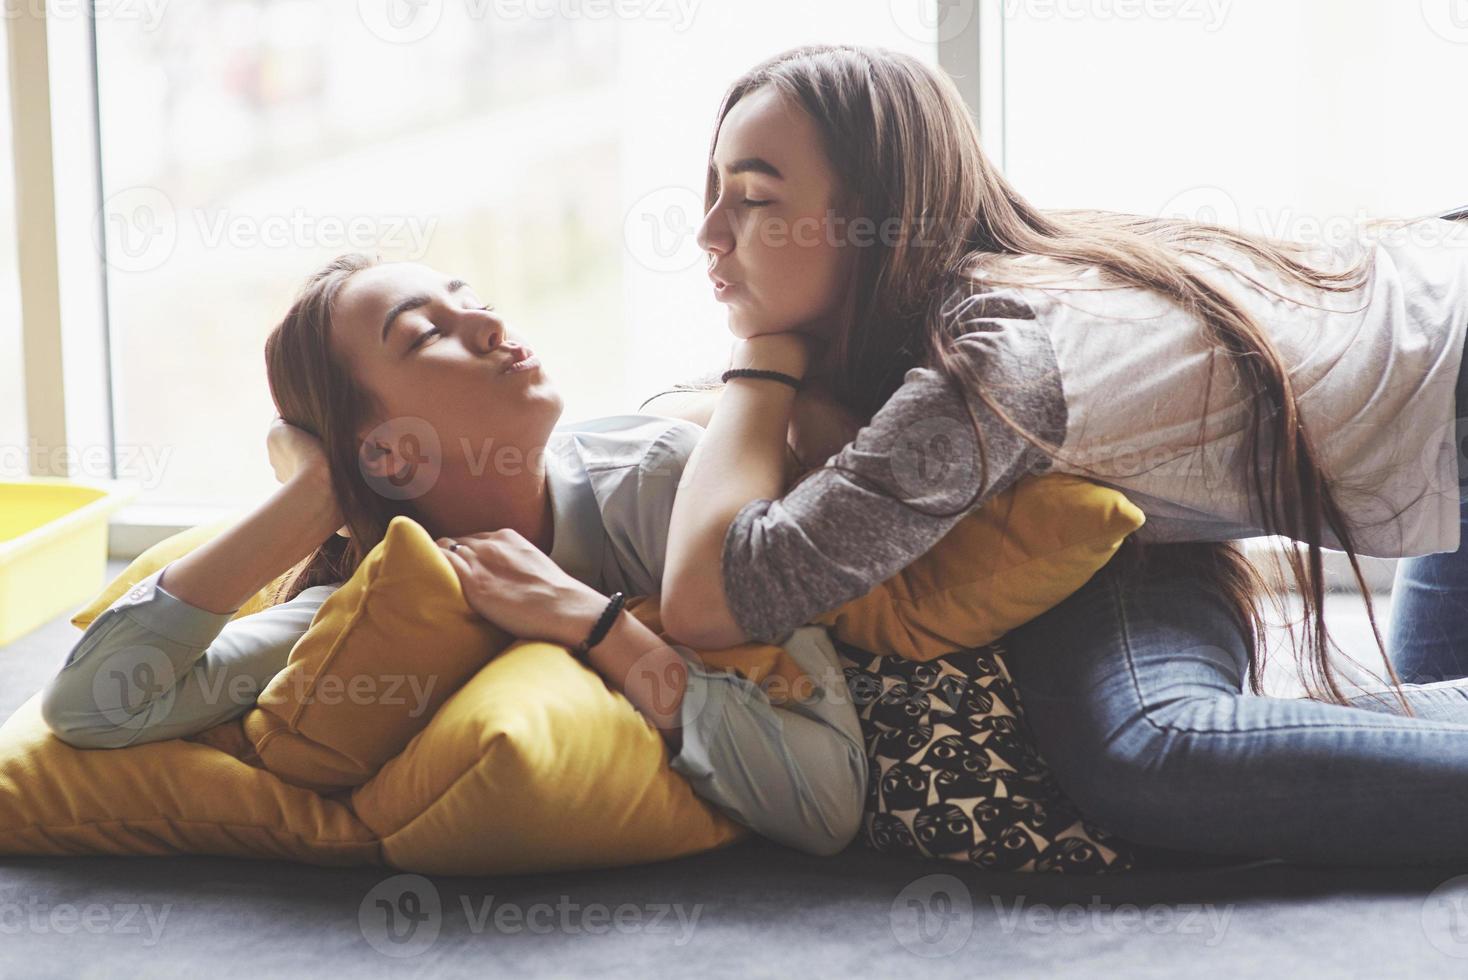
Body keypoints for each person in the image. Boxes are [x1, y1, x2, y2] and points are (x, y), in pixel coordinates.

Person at [653, 43, 1468, 866]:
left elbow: (710, 599)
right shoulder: (961, 321)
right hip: (1437, 394)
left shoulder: (998, 367)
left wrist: (758, 365)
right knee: (1379, 756)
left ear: (876, 216)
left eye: (754, 198)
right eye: (714, 192)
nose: (708, 233)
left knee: (1204, 760)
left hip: (1453, 364)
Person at [38, 254, 867, 858]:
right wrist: (307, 496)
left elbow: (830, 794)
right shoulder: (384, 607)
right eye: (429, 330)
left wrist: (597, 625)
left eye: (468, 296)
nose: (491, 323)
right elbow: (90, 708)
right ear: (388, 455)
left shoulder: (663, 487)